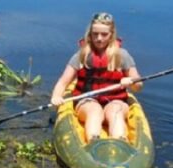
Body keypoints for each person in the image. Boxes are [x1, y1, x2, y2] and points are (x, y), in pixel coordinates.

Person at [50, 12, 142, 143]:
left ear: (111, 35)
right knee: (95, 111)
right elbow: (63, 82)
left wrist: (132, 82)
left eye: (104, 34)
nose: (99, 38)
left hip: (116, 101)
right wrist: (56, 97)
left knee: (115, 112)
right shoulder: (81, 55)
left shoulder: (122, 55)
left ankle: (120, 143)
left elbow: (138, 87)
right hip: (87, 100)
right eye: (95, 34)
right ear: (90, 34)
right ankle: (94, 144)